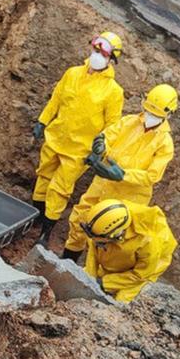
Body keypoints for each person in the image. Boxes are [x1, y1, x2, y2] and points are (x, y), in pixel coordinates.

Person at [62, 84, 177, 261]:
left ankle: (95, 273)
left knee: (109, 235)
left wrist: (123, 175)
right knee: (81, 218)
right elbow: (109, 136)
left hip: (128, 198)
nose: (150, 117)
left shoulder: (164, 143)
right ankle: (67, 260)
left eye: (156, 115)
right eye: (148, 111)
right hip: (103, 183)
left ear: (168, 115)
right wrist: (101, 145)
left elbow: (152, 176)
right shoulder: (129, 122)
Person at [32, 32, 125, 244]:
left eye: (103, 53)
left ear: (112, 59)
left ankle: (45, 233)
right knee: (43, 177)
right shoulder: (72, 73)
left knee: (59, 189)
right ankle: (33, 218)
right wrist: (42, 121)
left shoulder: (113, 91)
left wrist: (98, 151)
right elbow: (56, 100)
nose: (97, 56)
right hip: (55, 137)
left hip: (78, 150)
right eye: (96, 50)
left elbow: (112, 126)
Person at [77, 198, 177, 303]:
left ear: (117, 235)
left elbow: (140, 275)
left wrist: (104, 283)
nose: (94, 240)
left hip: (145, 271)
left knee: (121, 301)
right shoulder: (104, 222)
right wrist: (89, 278)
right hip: (118, 256)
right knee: (84, 276)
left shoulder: (148, 242)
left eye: (100, 240)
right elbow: (94, 250)